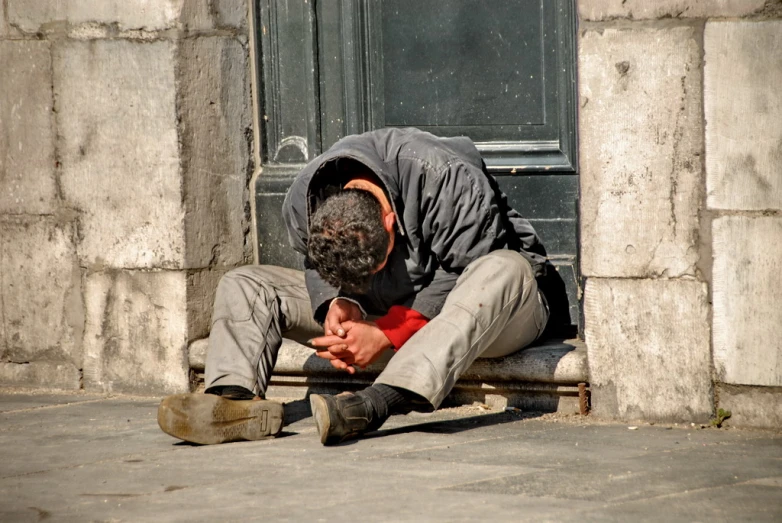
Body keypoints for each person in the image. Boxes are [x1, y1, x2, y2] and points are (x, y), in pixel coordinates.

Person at [158, 127, 554, 446]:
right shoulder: (304, 201)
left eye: (372, 270)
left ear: (388, 223)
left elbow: (471, 269)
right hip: (387, 314)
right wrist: (340, 298)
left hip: (496, 312)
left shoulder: (442, 178)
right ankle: (234, 399)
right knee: (245, 282)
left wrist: (387, 330)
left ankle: (376, 403)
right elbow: (315, 264)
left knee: (503, 268)